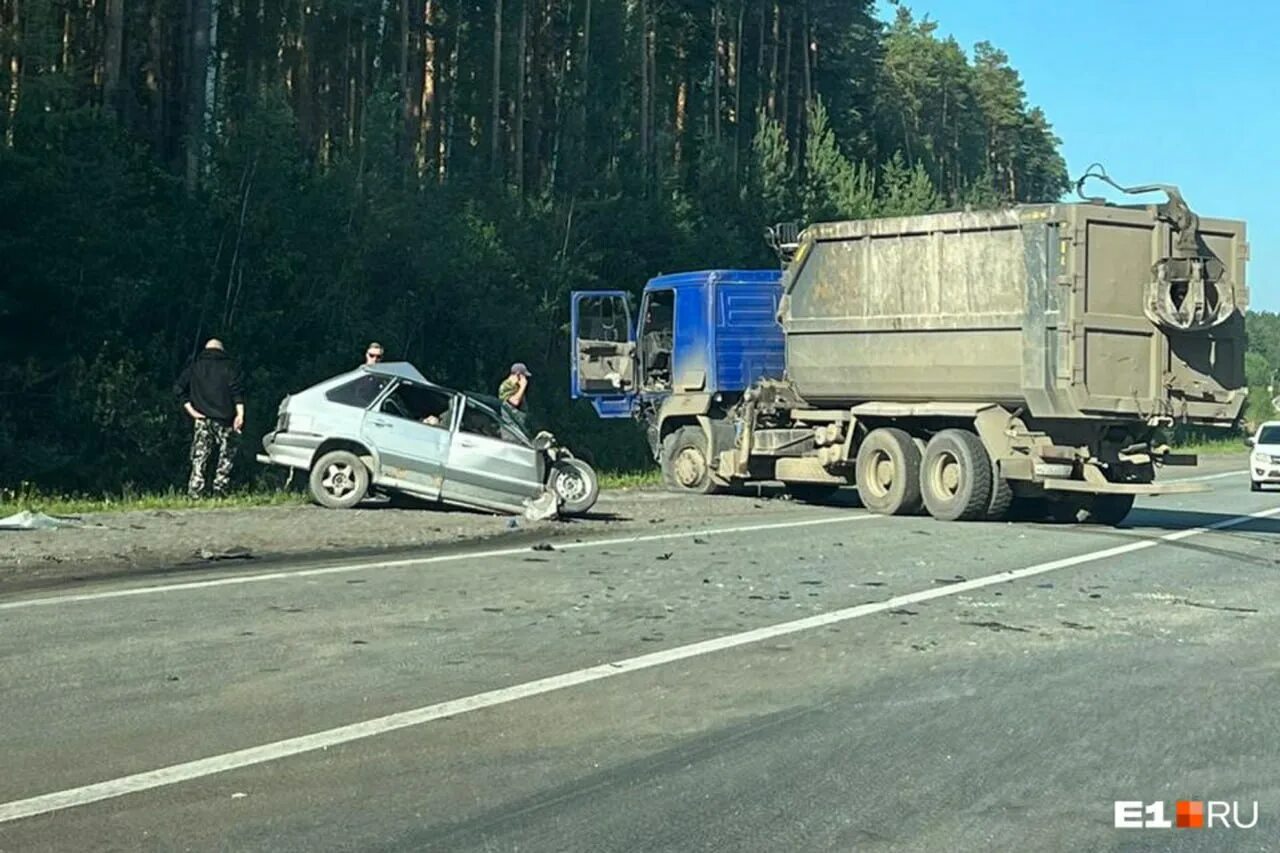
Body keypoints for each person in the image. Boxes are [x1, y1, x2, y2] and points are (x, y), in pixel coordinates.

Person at [174, 338, 246, 499]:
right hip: (225, 420)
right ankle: (220, 488)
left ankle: (195, 491)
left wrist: (190, 410)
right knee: (226, 455)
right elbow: (237, 393)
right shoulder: (229, 367)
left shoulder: (194, 367)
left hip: (201, 419)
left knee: (199, 456)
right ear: (221, 351)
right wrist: (240, 414)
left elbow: (178, 389)